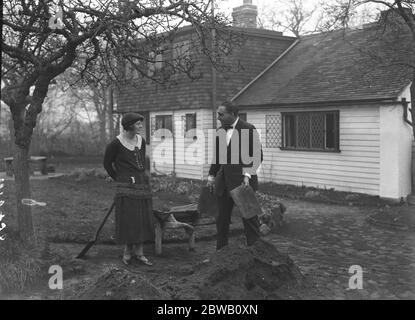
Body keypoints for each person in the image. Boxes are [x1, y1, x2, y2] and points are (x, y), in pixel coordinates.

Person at [207, 101, 263, 250]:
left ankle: (256, 253)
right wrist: (211, 176)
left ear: (232, 114)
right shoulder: (220, 131)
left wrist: (247, 175)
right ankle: (220, 254)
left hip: (243, 183)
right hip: (224, 183)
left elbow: (257, 156)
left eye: (221, 114)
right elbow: (218, 157)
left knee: (249, 219)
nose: (218, 117)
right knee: (222, 220)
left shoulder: (248, 129)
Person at [103, 112, 155, 266]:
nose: (141, 126)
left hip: (141, 183)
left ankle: (139, 253)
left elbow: (142, 163)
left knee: (141, 218)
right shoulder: (115, 144)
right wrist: (118, 178)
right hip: (125, 185)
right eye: (138, 123)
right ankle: (127, 252)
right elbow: (107, 164)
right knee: (129, 219)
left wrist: (145, 178)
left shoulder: (141, 141)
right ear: (130, 125)